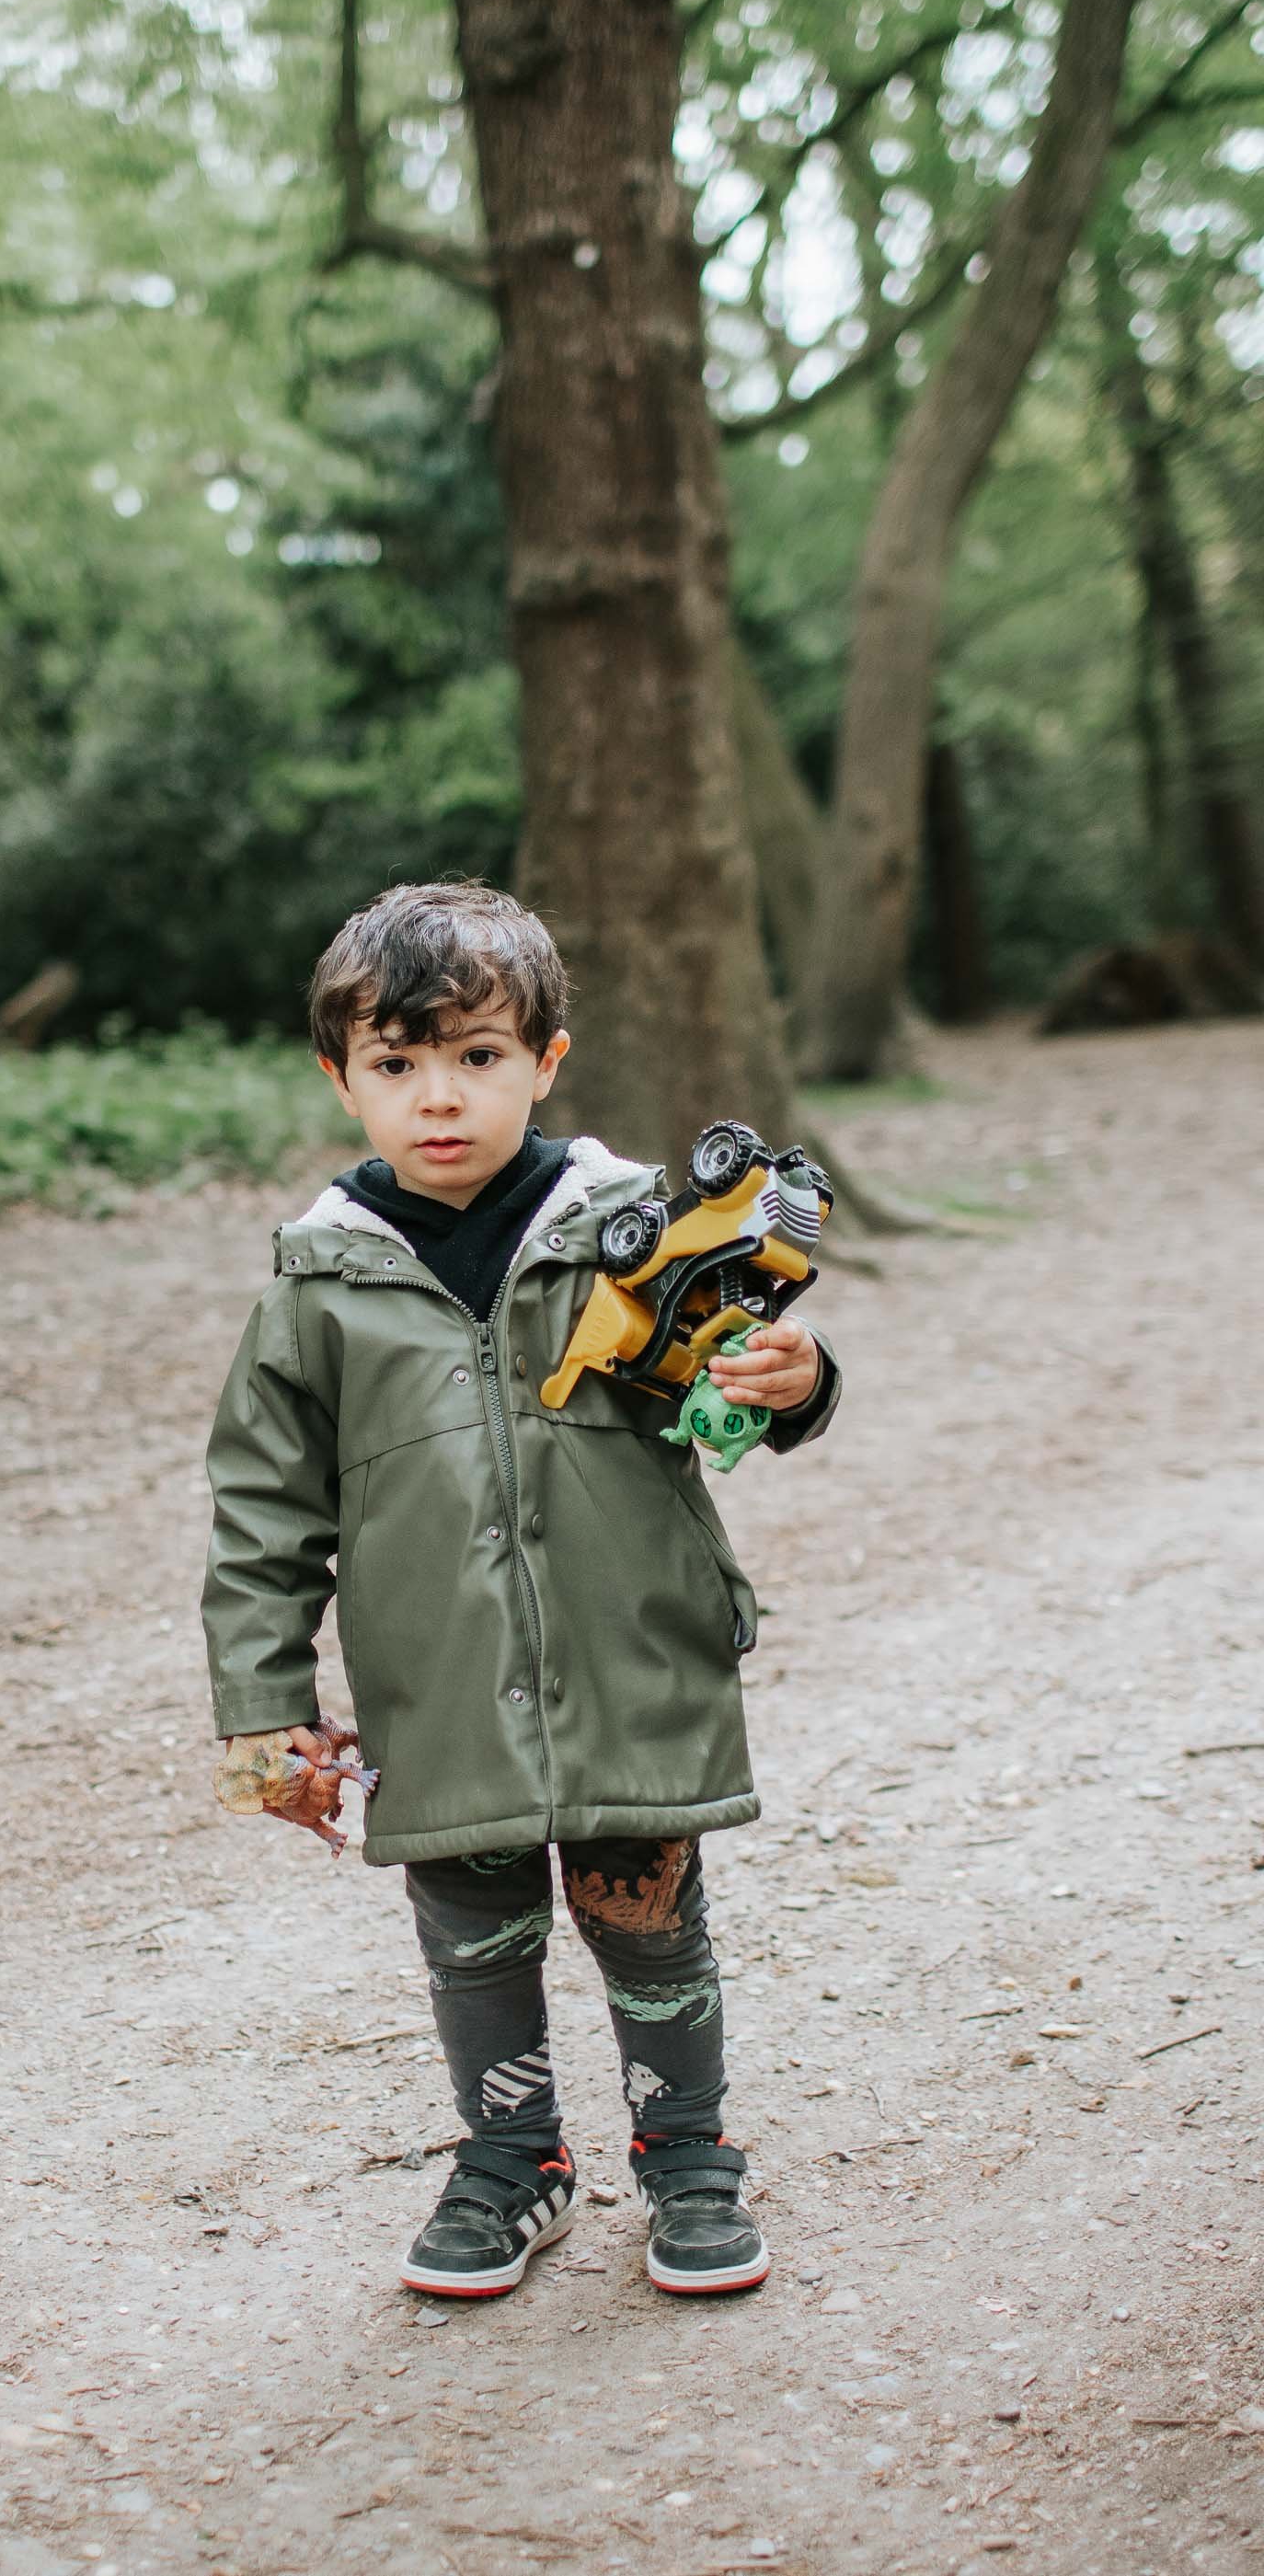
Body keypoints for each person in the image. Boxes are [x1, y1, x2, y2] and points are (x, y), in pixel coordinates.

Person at [200, 882, 839, 2300]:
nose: (440, 1096)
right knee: (474, 1932)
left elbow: (732, 1373)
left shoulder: (631, 1224)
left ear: (547, 1060)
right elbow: (262, 1511)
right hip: (441, 1680)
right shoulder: (317, 1284)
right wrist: (263, 1710)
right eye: (398, 1062)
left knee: (648, 1913)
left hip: (631, 1651)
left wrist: (793, 1384)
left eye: (478, 1057)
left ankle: (688, 2156)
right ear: (342, 1075)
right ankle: (514, 2161)